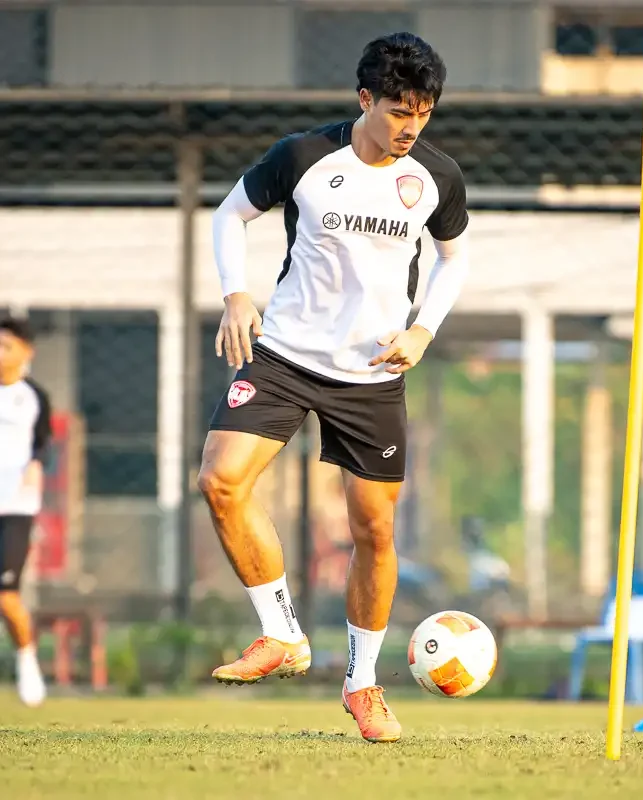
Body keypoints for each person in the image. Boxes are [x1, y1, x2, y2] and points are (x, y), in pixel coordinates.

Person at [198, 32, 469, 743]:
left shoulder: (436, 177)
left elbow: (454, 261)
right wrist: (235, 294)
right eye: (399, 111)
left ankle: (363, 684)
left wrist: (422, 332)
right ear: (365, 100)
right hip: (285, 353)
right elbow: (231, 214)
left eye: (425, 113)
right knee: (221, 481)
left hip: (372, 373)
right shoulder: (305, 156)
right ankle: (282, 634)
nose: (411, 127)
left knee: (373, 531)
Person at [0, 318, 51, 707]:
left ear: (25, 352)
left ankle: (27, 658)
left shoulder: (33, 396)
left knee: (6, 597)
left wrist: (35, 463)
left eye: (6, 346)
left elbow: (41, 444)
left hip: (14, 507)